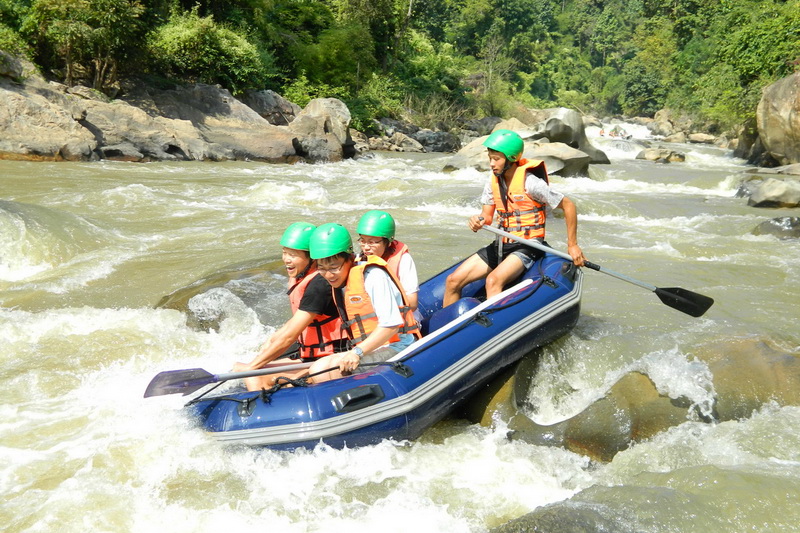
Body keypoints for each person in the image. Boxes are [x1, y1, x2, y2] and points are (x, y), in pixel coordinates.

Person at [443, 129, 586, 307]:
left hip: (528, 245)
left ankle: (494, 329)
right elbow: (486, 217)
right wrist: (478, 221)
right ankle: (451, 331)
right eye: (490, 158)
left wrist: (572, 245)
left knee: (493, 281)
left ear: (511, 159)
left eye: (496, 159)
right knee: (452, 281)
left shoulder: (531, 182)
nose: (491, 164)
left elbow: (568, 205)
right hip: (503, 243)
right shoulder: (492, 182)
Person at [233, 222, 346, 391]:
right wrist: (270, 343)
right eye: (284, 253)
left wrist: (252, 366)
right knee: (246, 367)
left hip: (331, 355)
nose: (286, 259)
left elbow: (290, 335)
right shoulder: (302, 278)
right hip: (312, 353)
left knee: (254, 374)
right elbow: (291, 326)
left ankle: (261, 411)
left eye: (293, 255)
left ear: (312, 257)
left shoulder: (320, 284)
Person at [306, 223, 421, 383]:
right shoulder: (342, 279)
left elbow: (391, 325)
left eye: (334, 266)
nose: (328, 274)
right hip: (372, 346)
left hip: (397, 346)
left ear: (349, 258)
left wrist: (357, 352)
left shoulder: (373, 276)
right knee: (317, 368)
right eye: (322, 268)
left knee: (323, 373)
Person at [355, 210, 420, 313]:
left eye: (372, 242)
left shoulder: (404, 260)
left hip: (399, 317)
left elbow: (412, 303)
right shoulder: (359, 259)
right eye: (362, 241)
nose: (366, 247)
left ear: (388, 242)